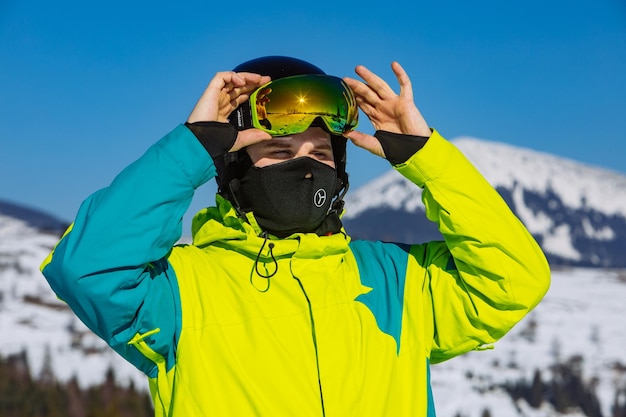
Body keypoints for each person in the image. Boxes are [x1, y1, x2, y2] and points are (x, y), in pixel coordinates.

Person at [40, 56, 550, 417]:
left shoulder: (397, 280)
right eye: (281, 155)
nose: (306, 169)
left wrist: (426, 157)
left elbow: (514, 280)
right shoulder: (180, 291)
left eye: (322, 156)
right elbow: (86, 267)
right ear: (235, 173)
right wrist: (192, 149)